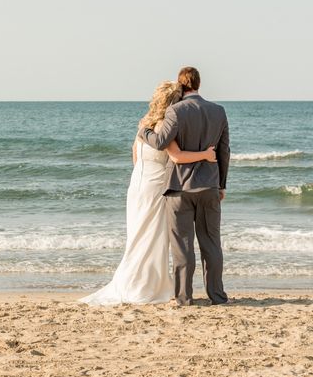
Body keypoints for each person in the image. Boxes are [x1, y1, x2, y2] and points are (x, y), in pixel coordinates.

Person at [80, 81, 217, 305]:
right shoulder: (168, 126)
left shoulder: (144, 124)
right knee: (154, 236)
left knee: (137, 234)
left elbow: (135, 155)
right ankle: (148, 286)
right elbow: (177, 157)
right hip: (156, 185)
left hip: (138, 184)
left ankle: (131, 282)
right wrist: (205, 155)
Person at [138, 67, 230, 306]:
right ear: (199, 83)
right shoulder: (219, 111)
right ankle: (217, 296)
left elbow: (160, 142)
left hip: (180, 187)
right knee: (211, 243)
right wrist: (221, 185)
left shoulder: (175, 111)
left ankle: (184, 297)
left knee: (183, 244)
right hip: (209, 186)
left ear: (181, 85)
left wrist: (144, 131)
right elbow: (224, 152)